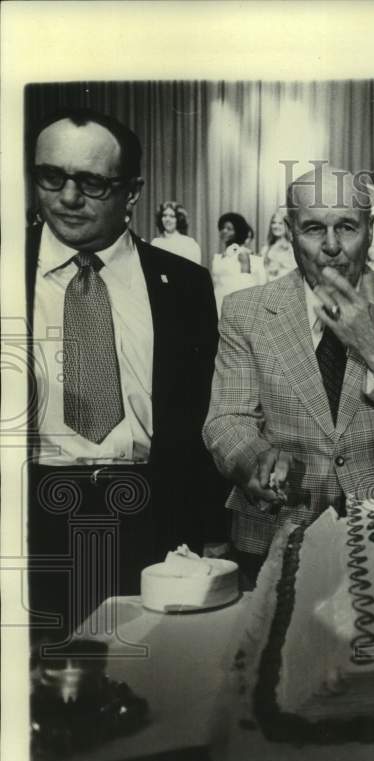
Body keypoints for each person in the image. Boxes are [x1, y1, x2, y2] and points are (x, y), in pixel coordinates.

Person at [203, 167, 374, 581]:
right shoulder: (245, 311)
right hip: (274, 535)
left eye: (346, 226)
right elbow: (225, 421)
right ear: (289, 232)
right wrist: (254, 461)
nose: (331, 246)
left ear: (370, 228)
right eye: (312, 229)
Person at [25, 108, 225, 641]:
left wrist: (209, 531)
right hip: (29, 522)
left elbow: (204, 416)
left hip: (150, 521)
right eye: (51, 176)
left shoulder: (183, 284)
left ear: (132, 193)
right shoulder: (5, 273)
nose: (68, 198)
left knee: (152, 689)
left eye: (91, 182)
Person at [211, 211, 265, 312]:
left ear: (237, 232)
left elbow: (246, 282)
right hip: (217, 302)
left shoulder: (241, 253)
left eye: (229, 229)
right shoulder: (219, 256)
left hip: (233, 304)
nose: (224, 231)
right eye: (222, 228)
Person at [150, 200, 202, 264]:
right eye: (164, 215)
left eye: (172, 216)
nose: (167, 219)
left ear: (178, 219)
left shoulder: (189, 243)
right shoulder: (155, 243)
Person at [260, 208, 297, 282]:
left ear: (286, 226)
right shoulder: (266, 249)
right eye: (273, 223)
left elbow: (296, 273)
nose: (276, 226)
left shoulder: (292, 249)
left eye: (280, 223)